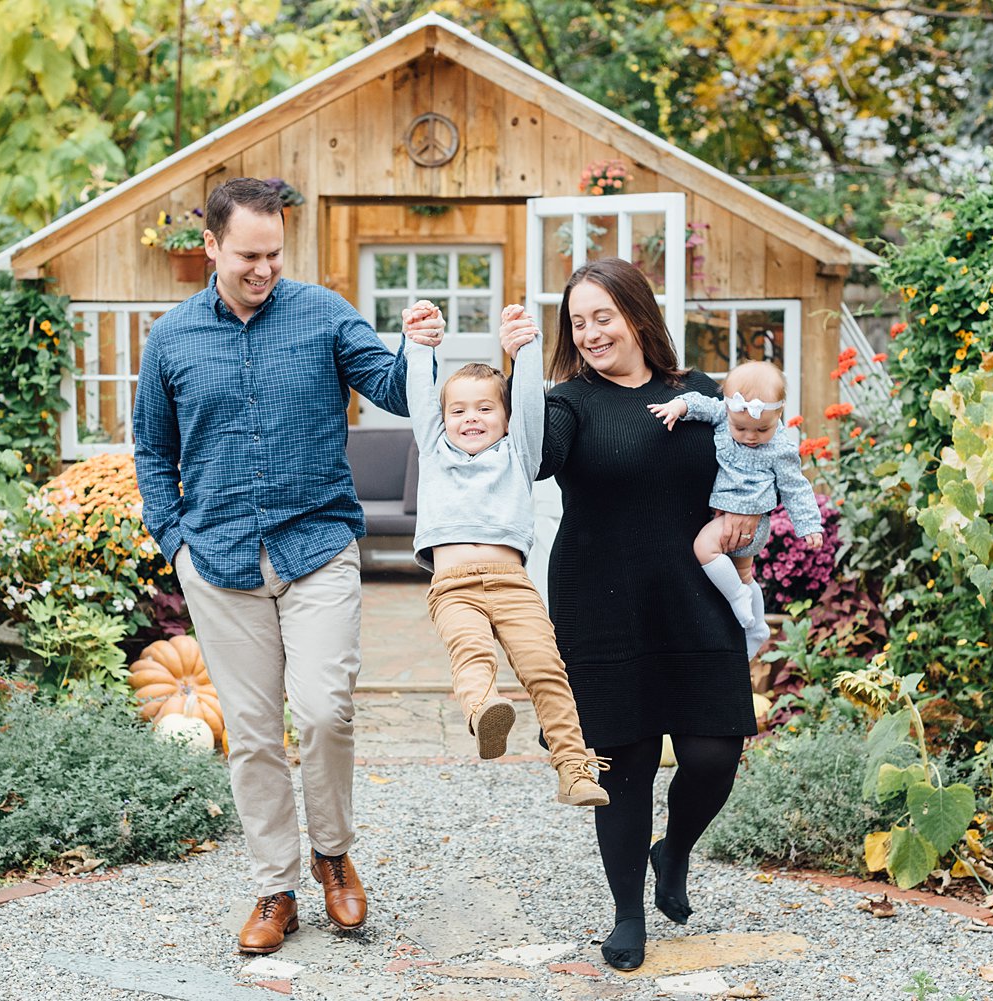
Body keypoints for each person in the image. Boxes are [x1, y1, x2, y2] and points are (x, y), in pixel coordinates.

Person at [132, 177, 445, 955]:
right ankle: (277, 888)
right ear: (211, 245)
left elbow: (394, 390)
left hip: (317, 549)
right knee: (252, 732)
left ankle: (332, 854)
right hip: (220, 558)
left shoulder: (325, 314)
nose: (264, 267)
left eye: (274, 252)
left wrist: (421, 346)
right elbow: (151, 447)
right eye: (248, 254)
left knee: (324, 707)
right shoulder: (171, 338)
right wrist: (177, 544)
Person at [500, 258, 759, 971]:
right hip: (600, 599)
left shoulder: (701, 392)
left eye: (602, 316)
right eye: (577, 322)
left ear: (638, 315)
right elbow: (532, 454)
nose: (589, 333)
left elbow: (749, 465)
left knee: (716, 749)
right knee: (625, 762)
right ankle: (626, 912)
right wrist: (517, 363)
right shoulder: (568, 402)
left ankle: (672, 849)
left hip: (694, 591)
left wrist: (747, 517)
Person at [400, 301, 609, 807]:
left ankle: (574, 768)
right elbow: (420, 396)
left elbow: (532, 405)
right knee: (471, 655)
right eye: (459, 410)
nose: (471, 418)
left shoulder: (519, 452)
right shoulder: (434, 448)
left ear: (506, 414)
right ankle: (485, 711)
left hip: (513, 583)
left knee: (545, 667)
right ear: (443, 418)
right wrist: (418, 344)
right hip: (453, 587)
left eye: (485, 408)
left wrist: (525, 349)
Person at [646, 360, 824, 639]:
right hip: (729, 519)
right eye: (740, 429)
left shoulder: (781, 448)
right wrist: (678, 407)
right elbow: (701, 404)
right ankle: (757, 628)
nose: (751, 437)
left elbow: (795, 487)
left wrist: (809, 526)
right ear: (729, 409)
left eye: (762, 430)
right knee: (743, 573)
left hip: (752, 522)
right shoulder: (724, 414)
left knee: (704, 549)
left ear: (779, 414)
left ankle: (738, 597)